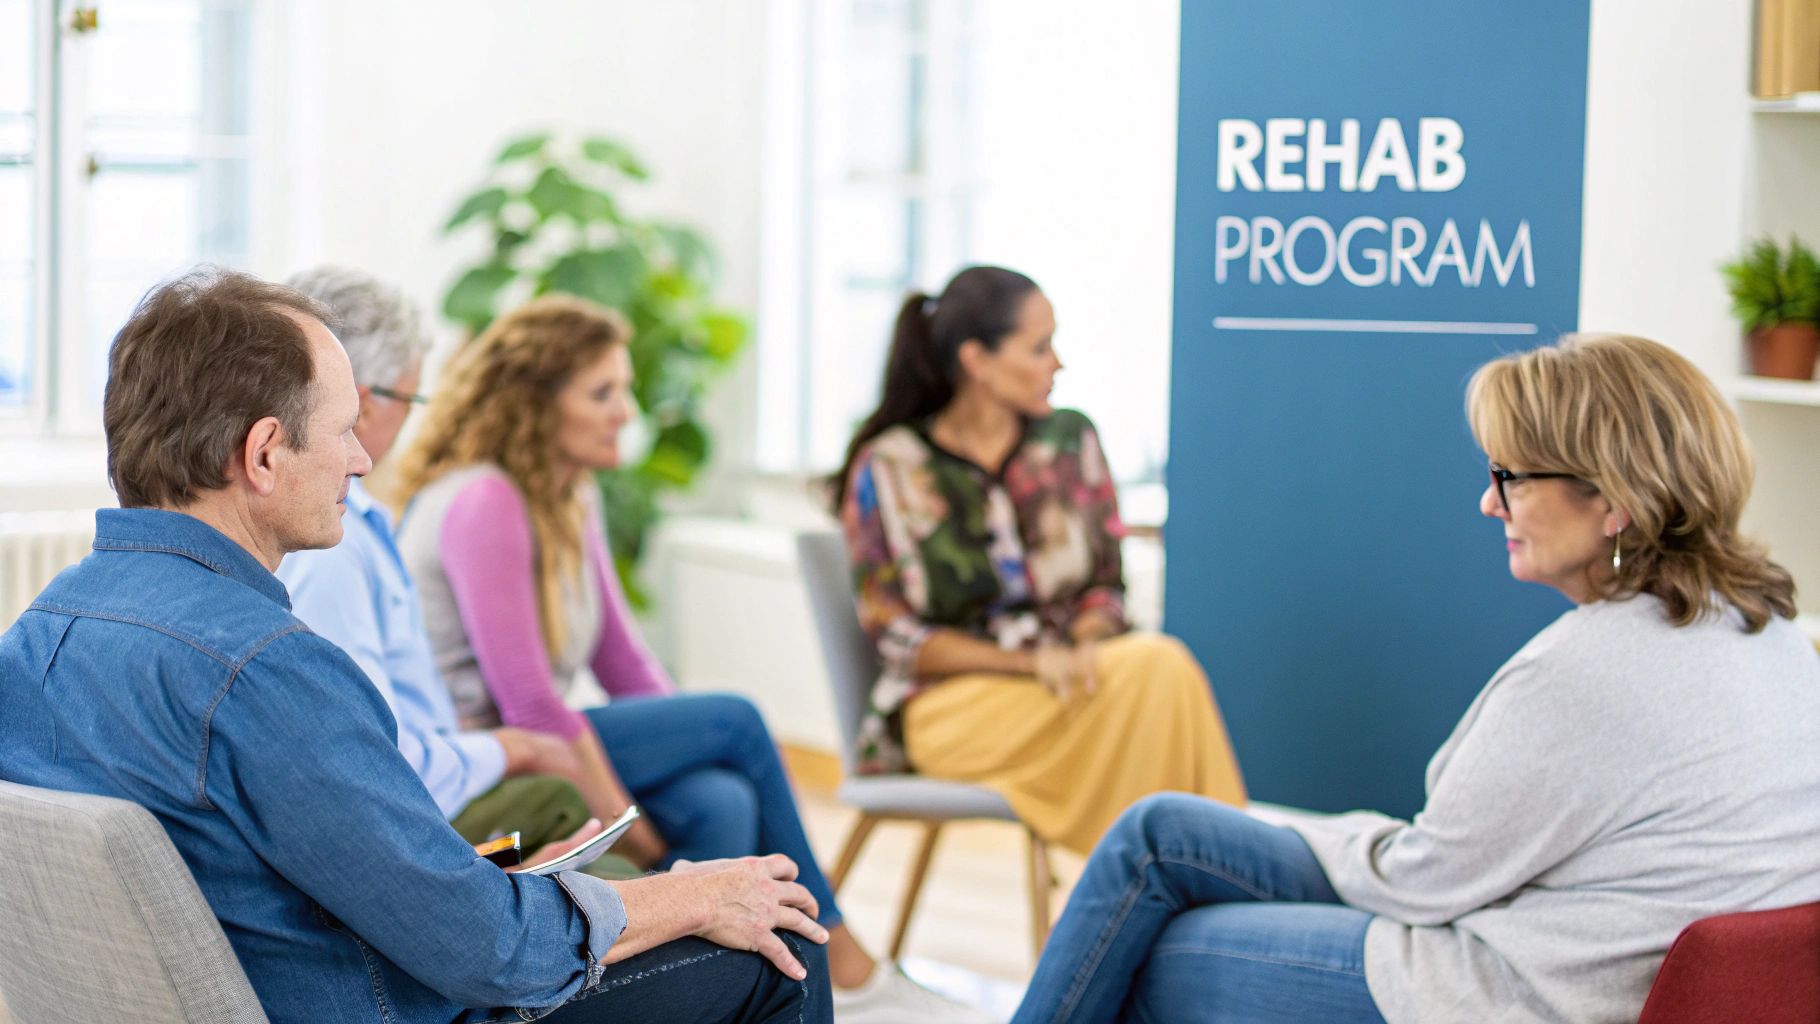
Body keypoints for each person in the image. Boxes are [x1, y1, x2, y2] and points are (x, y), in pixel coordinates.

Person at [0, 268, 831, 1024]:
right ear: (262, 455)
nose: (362, 460)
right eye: (343, 431)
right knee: (780, 949)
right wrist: (686, 898)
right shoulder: (266, 670)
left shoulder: (33, 641)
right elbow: (493, 954)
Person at [1010, 333, 1820, 1024]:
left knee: (1163, 945)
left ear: (1611, 502)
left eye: (1511, 478)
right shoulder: (1768, 630)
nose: (1488, 503)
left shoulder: (1589, 669)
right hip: (1606, 964)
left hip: (1520, 992)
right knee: (1157, 835)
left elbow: (1429, 880)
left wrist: (1332, 839)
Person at [389, 293, 989, 1024]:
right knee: (736, 720)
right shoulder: (484, 500)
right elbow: (532, 708)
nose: (627, 411)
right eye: (603, 392)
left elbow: (625, 663)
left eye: (624, 388)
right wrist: (633, 826)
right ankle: (834, 947)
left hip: (548, 739)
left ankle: (722, 986)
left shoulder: (568, 497)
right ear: (534, 405)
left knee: (721, 798)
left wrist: (673, 755)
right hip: (493, 757)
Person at [829, 264, 1246, 856]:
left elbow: (1106, 585)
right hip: (953, 710)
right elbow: (897, 636)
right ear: (978, 360)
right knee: (1158, 673)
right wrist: (1030, 664)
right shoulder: (890, 468)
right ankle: (1205, 884)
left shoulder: (1071, 442)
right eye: (1039, 347)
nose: (1058, 364)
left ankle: (1157, 893)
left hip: (1072, 686)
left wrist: (1080, 643)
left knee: (1157, 672)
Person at [275, 266, 634, 879]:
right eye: (410, 400)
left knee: (710, 801)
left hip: (434, 795)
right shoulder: (334, 548)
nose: (365, 448)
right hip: (424, 829)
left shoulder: (357, 524)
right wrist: (506, 750)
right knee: (581, 823)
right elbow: (382, 770)